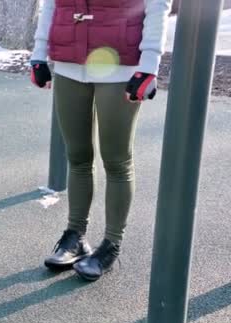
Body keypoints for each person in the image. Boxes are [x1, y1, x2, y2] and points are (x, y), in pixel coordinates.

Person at [30, 0, 172, 281]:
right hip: (69, 62)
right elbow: (51, 5)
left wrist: (149, 66)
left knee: (116, 159)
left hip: (121, 63)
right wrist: (39, 54)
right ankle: (75, 236)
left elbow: (158, 6)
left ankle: (111, 244)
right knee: (78, 155)